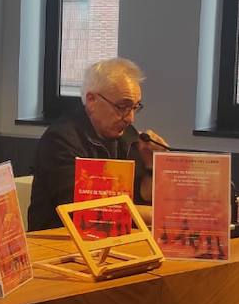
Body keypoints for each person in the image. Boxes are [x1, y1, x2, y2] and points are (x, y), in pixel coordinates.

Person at [26, 57, 168, 231]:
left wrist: (151, 164)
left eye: (135, 107)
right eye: (122, 107)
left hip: (110, 240)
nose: (131, 118)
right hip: (58, 244)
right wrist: (162, 216)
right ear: (92, 101)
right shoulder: (61, 141)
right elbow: (86, 211)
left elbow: (143, 195)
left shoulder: (127, 136)